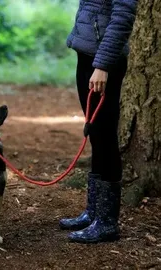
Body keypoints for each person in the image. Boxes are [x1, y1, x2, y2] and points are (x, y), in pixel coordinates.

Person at [59, 0, 138, 243]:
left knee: (105, 136)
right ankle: (93, 212)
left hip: (104, 61)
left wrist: (102, 65)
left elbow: (123, 16)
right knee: (95, 133)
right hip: (87, 55)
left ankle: (107, 221)